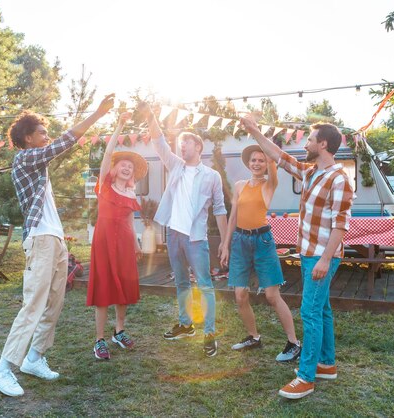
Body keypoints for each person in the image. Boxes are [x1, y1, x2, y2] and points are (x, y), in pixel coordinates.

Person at [0, 94, 115, 397]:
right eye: (42, 132)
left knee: (54, 302)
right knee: (33, 304)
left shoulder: (39, 166)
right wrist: (97, 113)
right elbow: (65, 142)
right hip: (40, 240)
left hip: (55, 239)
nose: (47, 136)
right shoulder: (25, 158)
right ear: (28, 138)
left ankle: (35, 358)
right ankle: (3, 369)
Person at [240, 116, 354, 400]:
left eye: (311, 139)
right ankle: (326, 364)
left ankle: (305, 378)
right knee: (322, 309)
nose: (306, 143)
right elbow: (279, 156)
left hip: (320, 256)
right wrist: (255, 131)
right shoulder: (311, 172)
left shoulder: (339, 179)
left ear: (323, 144)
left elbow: (341, 224)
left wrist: (326, 260)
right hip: (309, 253)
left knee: (310, 313)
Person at [139, 102, 227, 357]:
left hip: (196, 238)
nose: (182, 147)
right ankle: (186, 325)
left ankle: (209, 334)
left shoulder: (211, 176)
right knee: (180, 282)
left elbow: (220, 209)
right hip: (174, 234)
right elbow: (159, 143)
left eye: (186, 143)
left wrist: (223, 241)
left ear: (198, 146)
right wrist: (151, 117)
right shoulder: (176, 165)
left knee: (205, 285)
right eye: (180, 144)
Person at [220, 144, 302, 362]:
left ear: (267, 164)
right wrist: (225, 243)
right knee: (240, 295)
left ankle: (294, 343)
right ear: (248, 163)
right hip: (239, 241)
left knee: (272, 296)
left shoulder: (270, 184)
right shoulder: (239, 186)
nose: (256, 163)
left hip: (263, 241)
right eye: (253, 160)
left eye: (261, 160)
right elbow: (233, 216)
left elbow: (274, 167)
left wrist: (268, 148)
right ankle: (253, 337)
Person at [87, 111, 148, 360]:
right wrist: (119, 125)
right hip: (103, 242)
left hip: (124, 244)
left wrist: (136, 244)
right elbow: (108, 154)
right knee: (104, 290)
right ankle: (99, 339)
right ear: (114, 168)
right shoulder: (105, 185)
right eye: (123, 164)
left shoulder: (132, 195)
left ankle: (119, 331)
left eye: (130, 166)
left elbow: (129, 222)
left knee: (122, 288)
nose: (126, 167)